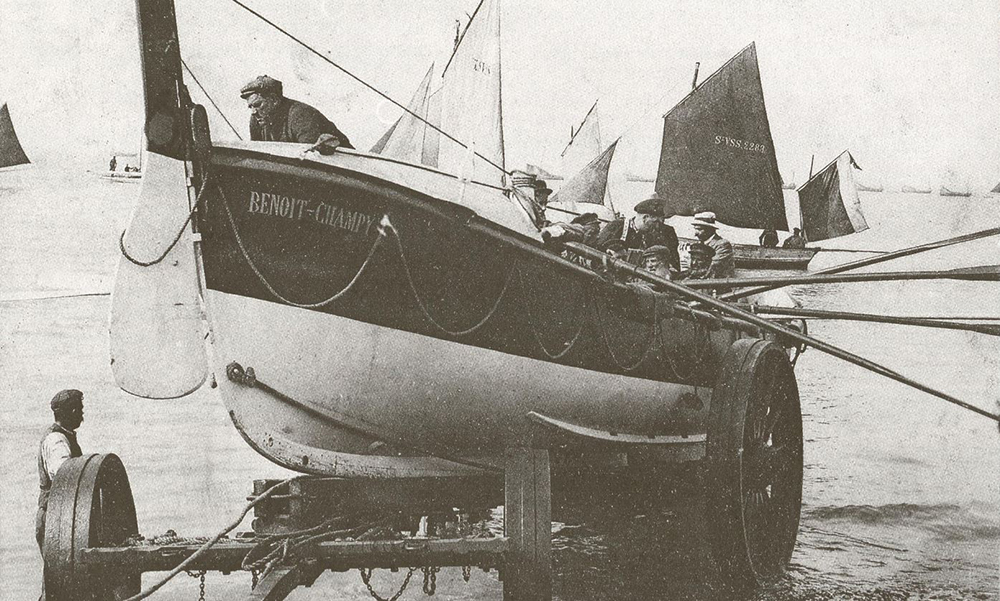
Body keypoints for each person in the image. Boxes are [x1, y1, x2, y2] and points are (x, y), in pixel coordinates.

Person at [37, 390, 85, 597]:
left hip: (58, 518)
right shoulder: (56, 440)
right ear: (72, 411)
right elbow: (64, 473)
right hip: (52, 520)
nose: (82, 414)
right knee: (56, 587)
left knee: (60, 585)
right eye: (80, 409)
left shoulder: (65, 436)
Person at [240, 75, 354, 152]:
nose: (254, 112)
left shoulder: (300, 115)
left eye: (258, 105)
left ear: (274, 100)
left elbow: (311, 158)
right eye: (250, 107)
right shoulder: (257, 119)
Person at [596, 193, 679, 271]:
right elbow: (597, 252)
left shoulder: (655, 234)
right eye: (655, 222)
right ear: (645, 218)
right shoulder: (617, 227)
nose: (657, 226)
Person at [691, 212, 735, 279]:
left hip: (719, 285)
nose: (695, 233)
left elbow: (713, 267)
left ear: (710, 229)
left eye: (699, 229)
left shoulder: (722, 244)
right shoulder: (700, 243)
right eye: (695, 229)